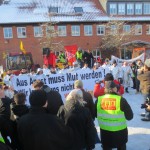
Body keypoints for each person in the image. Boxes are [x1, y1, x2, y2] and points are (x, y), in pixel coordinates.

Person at [95, 81, 133, 150]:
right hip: (120, 133)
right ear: (114, 89)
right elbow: (130, 117)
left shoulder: (99, 100)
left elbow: (95, 114)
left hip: (105, 133)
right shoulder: (121, 100)